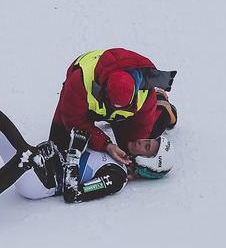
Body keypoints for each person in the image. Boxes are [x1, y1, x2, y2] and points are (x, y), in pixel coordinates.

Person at [0, 105, 175, 220]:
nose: (143, 140)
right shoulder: (117, 148)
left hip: (42, 182)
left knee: (25, 159)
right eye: (148, 140)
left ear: (146, 164)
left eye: (148, 147)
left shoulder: (116, 176)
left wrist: (74, 154)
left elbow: (75, 194)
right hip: (39, 157)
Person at [49, 48, 178, 166]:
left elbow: (140, 134)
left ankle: (163, 105)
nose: (117, 112)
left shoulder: (145, 95)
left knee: (141, 144)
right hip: (83, 101)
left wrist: (133, 159)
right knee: (56, 151)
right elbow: (72, 120)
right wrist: (106, 145)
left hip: (129, 110)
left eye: (123, 108)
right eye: (114, 107)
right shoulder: (79, 81)